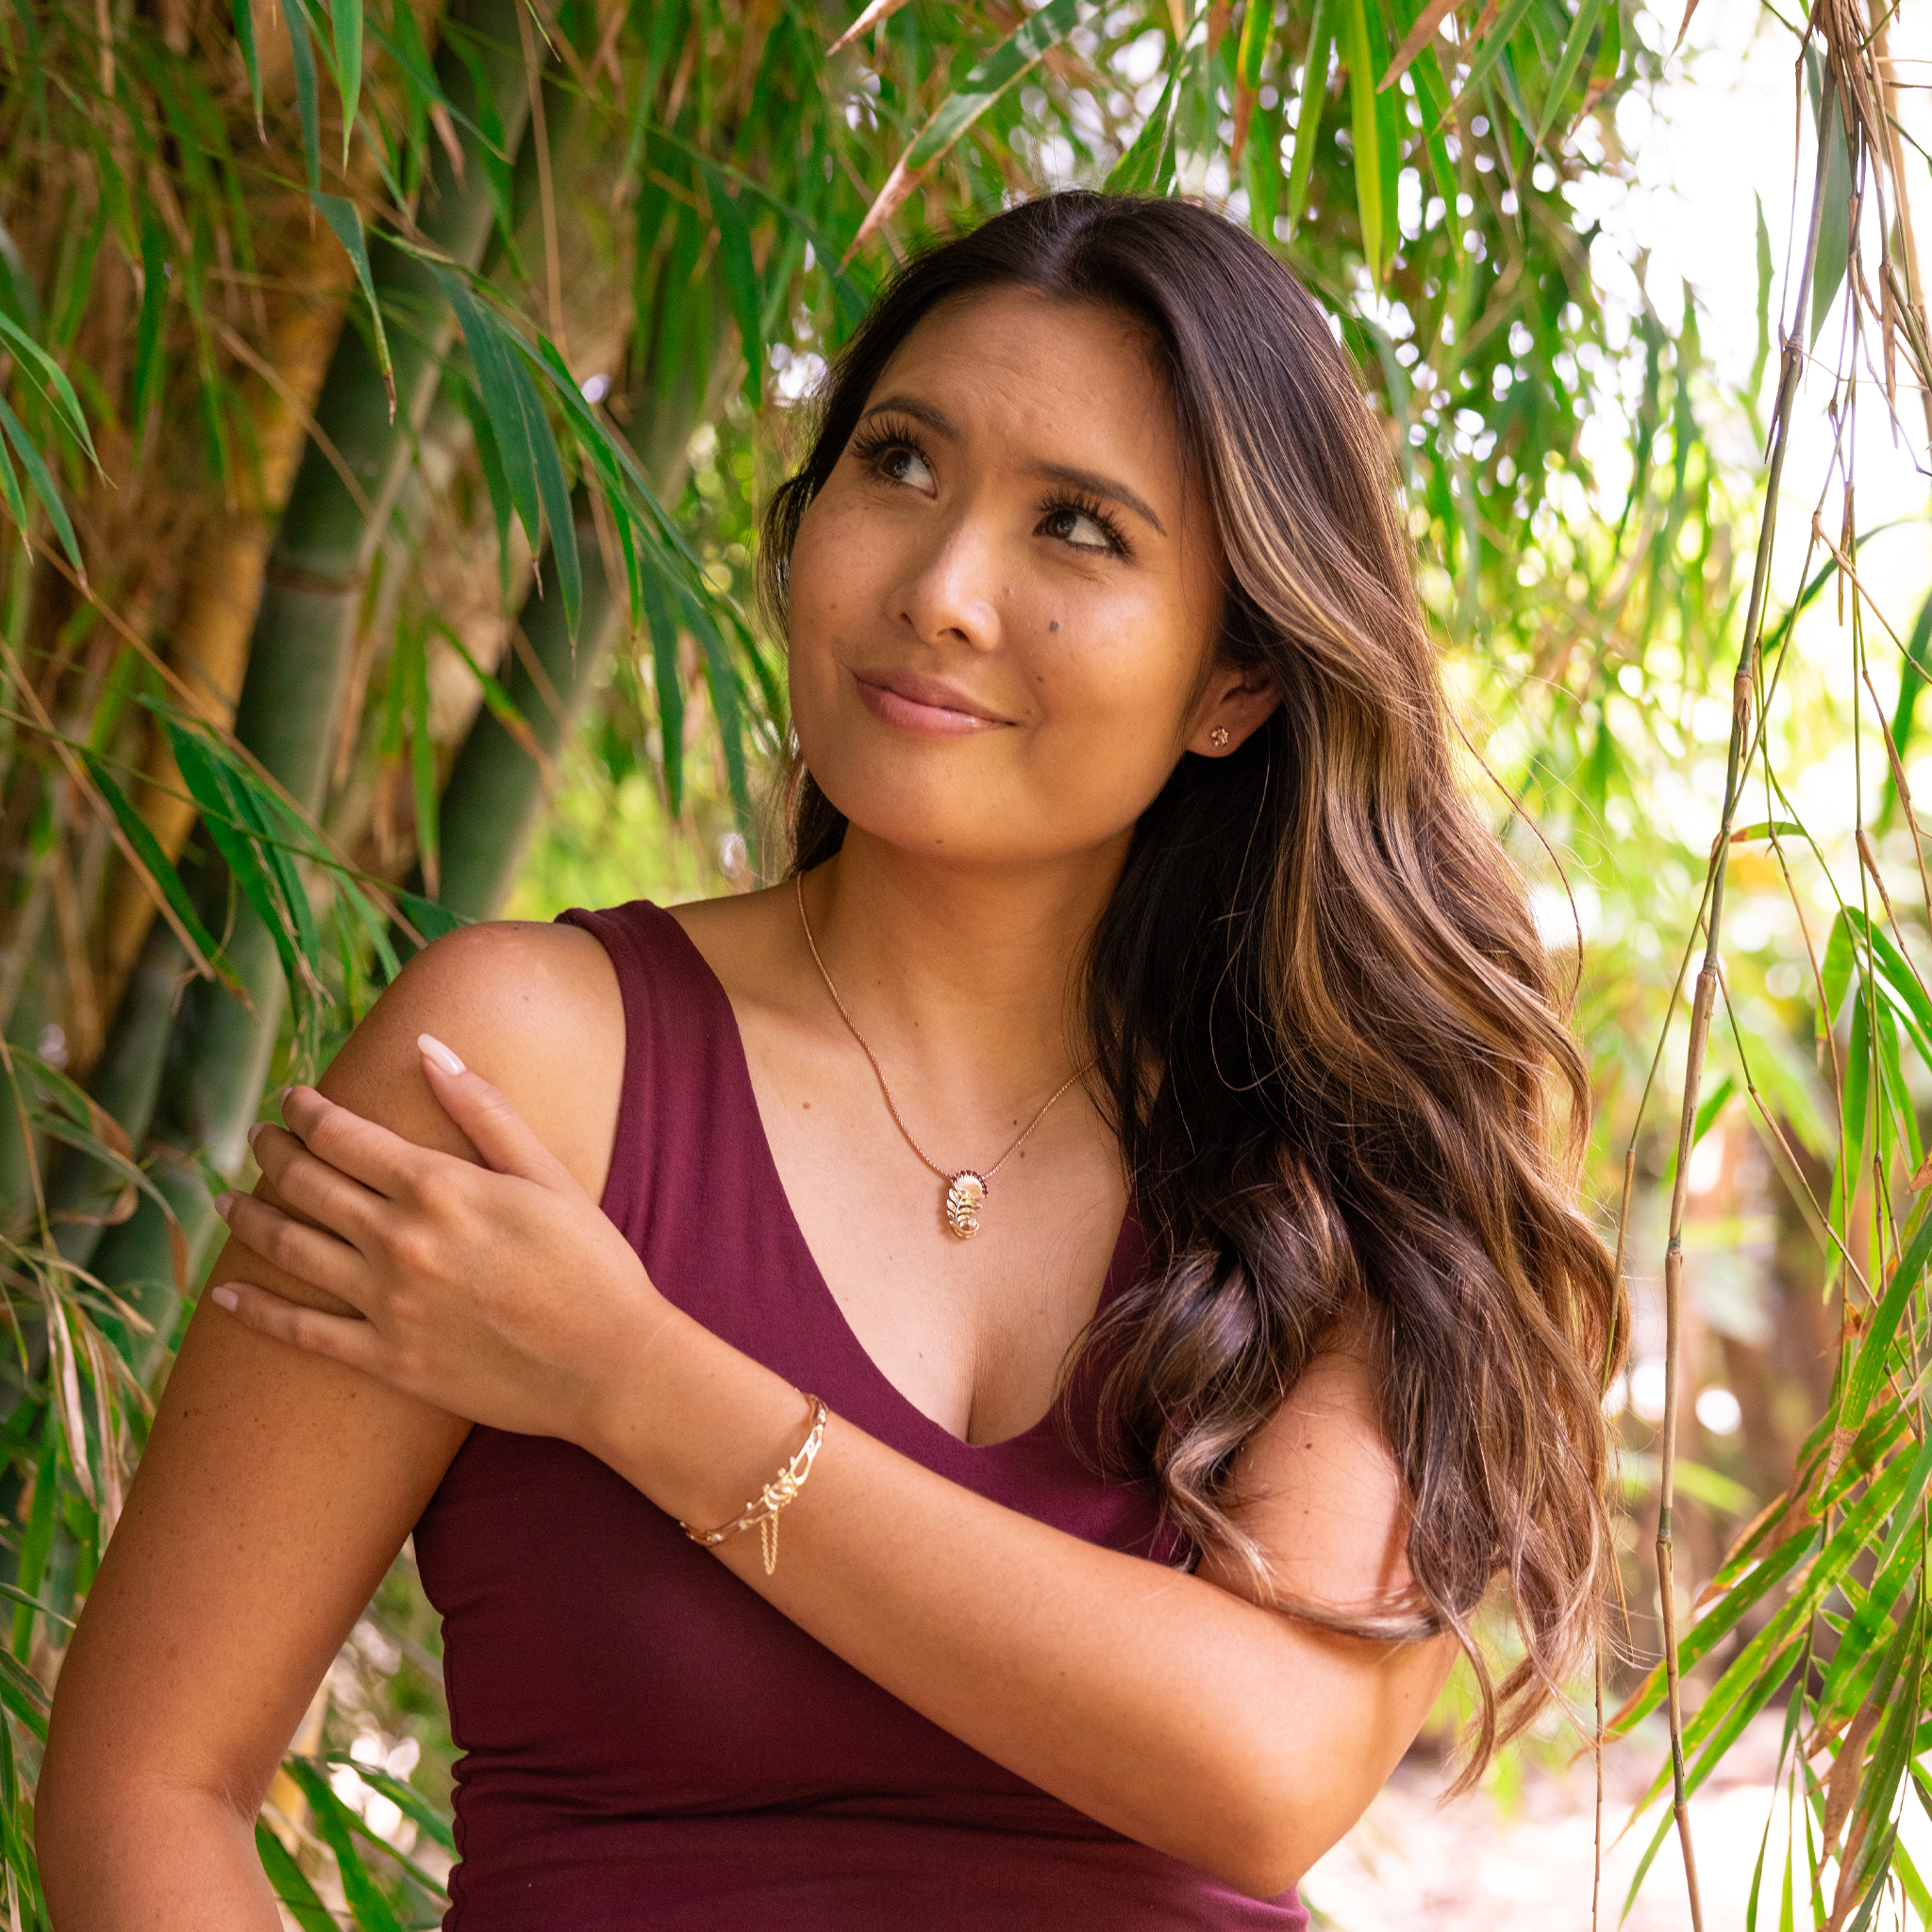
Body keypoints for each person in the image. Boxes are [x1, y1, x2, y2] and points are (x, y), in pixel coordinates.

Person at [37, 191, 1624, 1929]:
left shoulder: (1360, 1163)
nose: (941, 590)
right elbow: (149, 1788)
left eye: (1078, 529)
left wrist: (624, 1371)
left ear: (1236, 677)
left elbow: (1258, 1769)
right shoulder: (528, 1072)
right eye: (900, 465)